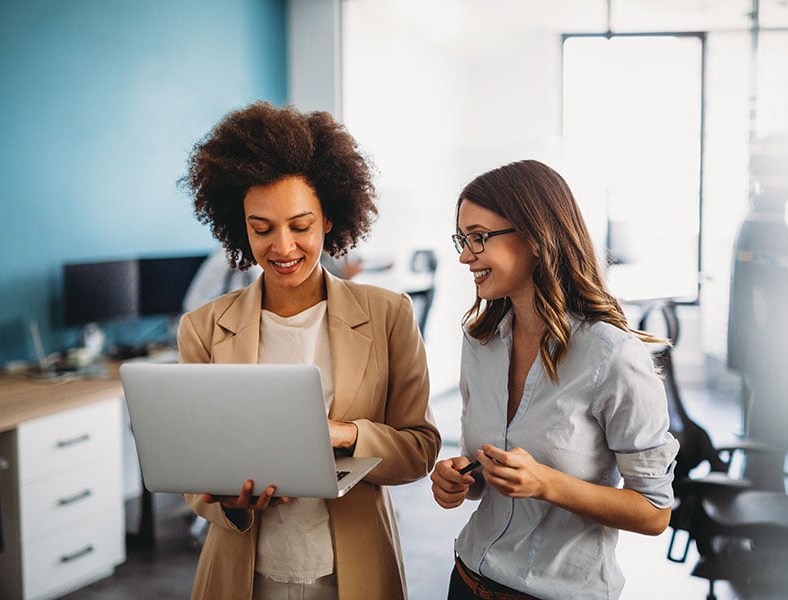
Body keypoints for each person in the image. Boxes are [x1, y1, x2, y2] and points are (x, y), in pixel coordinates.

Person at [177, 101, 441, 600]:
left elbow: (420, 448)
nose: (282, 247)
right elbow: (195, 476)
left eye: (301, 226)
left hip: (354, 571)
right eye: (262, 228)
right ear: (239, 227)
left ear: (330, 220)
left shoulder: (389, 315)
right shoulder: (205, 328)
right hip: (243, 574)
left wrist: (343, 434)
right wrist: (230, 502)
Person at [430, 159, 679, 600]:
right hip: (467, 580)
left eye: (478, 238)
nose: (465, 256)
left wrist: (546, 483)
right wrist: (461, 479)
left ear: (535, 237)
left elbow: (655, 511)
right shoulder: (480, 343)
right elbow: (486, 471)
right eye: (463, 240)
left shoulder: (612, 356)